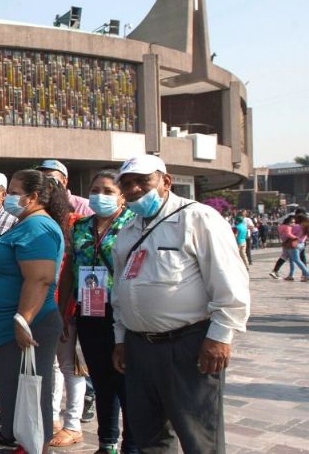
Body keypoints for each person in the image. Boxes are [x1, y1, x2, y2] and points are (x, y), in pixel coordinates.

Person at [111, 154, 250, 453]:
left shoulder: (197, 218)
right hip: (139, 347)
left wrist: (220, 337)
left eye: (142, 181)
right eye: (127, 183)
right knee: (149, 436)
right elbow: (120, 291)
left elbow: (230, 281)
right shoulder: (128, 230)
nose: (134, 189)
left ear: (166, 181)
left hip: (188, 344)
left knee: (199, 437)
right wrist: (121, 338)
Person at [0, 169, 67, 448]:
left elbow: (40, 278)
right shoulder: (24, 223)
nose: (8, 198)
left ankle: (34, 448)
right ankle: (21, 443)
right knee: (18, 396)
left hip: (27, 329)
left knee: (32, 399)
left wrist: (22, 320)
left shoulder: (39, 227)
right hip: (7, 332)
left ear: (34, 197)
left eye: (13, 192)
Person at [60, 170, 137, 453]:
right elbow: (69, 270)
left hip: (122, 312)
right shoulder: (80, 226)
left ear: (122, 197)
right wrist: (63, 311)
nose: (99, 196)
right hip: (88, 309)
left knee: (125, 381)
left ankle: (132, 443)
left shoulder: (133, 224)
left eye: (107, 191)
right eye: (95, 189)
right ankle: (107, 441)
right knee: (101, 380)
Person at [279, 215, 309, 281]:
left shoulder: (297, 226)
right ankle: (291, 275)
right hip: (301, 244)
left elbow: (290, 234)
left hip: (294, 244)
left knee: (296, 260)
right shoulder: (306, 227)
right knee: (292, 259)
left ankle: (307, 274)